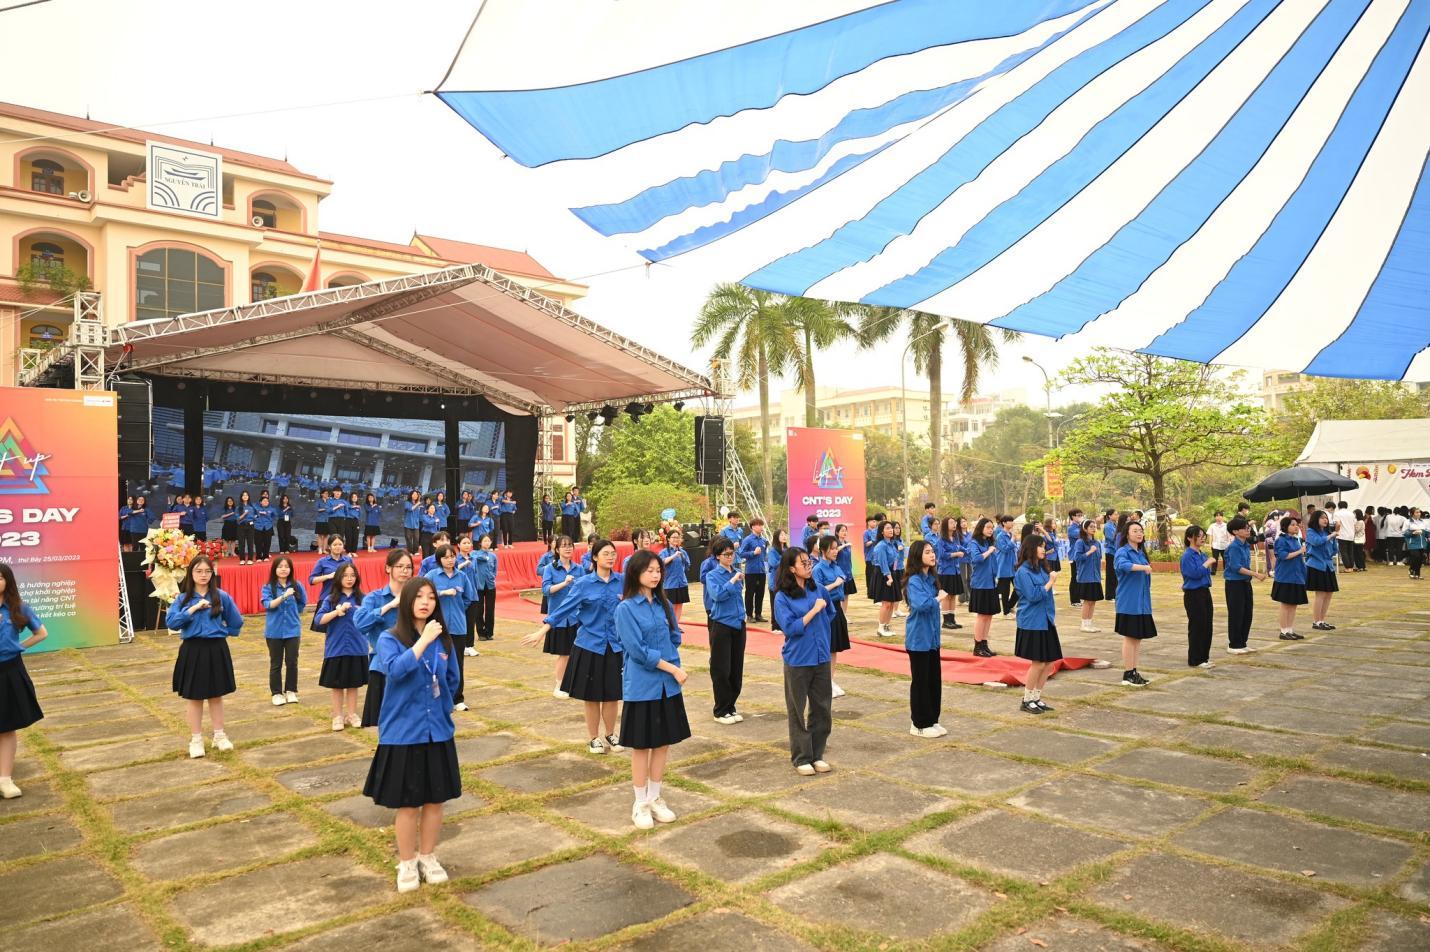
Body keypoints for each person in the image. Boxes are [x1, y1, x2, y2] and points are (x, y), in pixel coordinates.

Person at [363, 577, 462, 893]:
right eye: (418, 596)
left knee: (435, 800)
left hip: (437, 731)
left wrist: (445, 710)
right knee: (408, 804)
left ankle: (428, 856)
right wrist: (422, 642)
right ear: (406, 602)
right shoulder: (389, 638)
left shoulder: (444, 641)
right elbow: (396, 670)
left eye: (431, 597)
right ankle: (406, 863)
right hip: (404, 733)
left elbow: (451, 680)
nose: (425, 602)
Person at [614, 550, 691, 829]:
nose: (656, 574)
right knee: (641, 746)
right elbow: (637, 651)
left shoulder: (663, 604)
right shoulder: (625, 608)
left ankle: (656, 797)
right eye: (649, 570)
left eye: (658, 570)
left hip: (667, 687)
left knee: (662, 743)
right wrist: (672, 668)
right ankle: (640, 803)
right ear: (635, 573)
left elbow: (674, 637)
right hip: (643, 686)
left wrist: (672, 661)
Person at [525, 539, 625, 754]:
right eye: (606, 553)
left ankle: (611, 733)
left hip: (615, 646)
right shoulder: (583, 584)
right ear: (595, 557)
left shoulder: (622, 582)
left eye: (613, 553)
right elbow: (561, 610)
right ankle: (593, 738)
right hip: (590, 645)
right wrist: (542, 631)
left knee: (612, 694)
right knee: (592, 695)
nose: (610, 557)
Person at [166, 556, 244, 759]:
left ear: (213, 573)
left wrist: (225, 632)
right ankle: (196, 739)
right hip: (192, 649)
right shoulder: (182, 598)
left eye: (207, 571)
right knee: (194, 697)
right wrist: (191, 609)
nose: (203, 575)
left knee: (216, 695)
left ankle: (220, 735)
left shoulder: (221, 596)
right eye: (198, 571)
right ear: (191, 573)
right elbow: (172, 623)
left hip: (216, 648)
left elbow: (236, 621)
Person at [772, 547, 833, 776]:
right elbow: (791, 628)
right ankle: (801, 757)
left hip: (821, 656)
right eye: (804, 563)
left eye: (809, 562)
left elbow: (830, 614)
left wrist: (820, 623)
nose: (809, 567)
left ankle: (817, 754)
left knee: (822, 708)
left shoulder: (818, 590)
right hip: (798, 659)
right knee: (797, 709)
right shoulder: (782, 597)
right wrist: (813, 612)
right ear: (791, 568)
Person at [0, 564, 48, 799]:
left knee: (7, 727)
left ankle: (5, 780)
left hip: (9, 671)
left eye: (0, 578)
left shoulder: (18, 608)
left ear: (7, 581)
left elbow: (42, 633)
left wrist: (18, 647)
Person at [357, 549, 415, 728]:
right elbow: (360, 624)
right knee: (384, 724)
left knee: (411, 722)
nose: (405, 571)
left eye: (408, 567)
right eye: (399, 566)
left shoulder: (416, 596)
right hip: (382, 666)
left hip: (412, 664)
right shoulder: (375, 597)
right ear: (388, 568)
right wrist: (389, 605)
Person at [318, 563, 369, 731]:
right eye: (345, 575)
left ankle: (352, 714)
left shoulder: (363, 598)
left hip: (357, 647)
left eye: (352, 575)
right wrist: (336, 612)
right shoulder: (330, 599)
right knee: (337, 684)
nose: (349, 579)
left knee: (354, 684)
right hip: (336, 647)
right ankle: (338, 716)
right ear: (339, 578)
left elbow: (371, 618)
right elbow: (319, 620)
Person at [1013, 534, 1060, 714]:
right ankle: (1026, 700)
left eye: (1044, 546)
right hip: (1032, 621)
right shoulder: (1023, 572)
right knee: (1038, 663)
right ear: (1030, 549)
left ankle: (1036, 697)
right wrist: (1050, 582)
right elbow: (1033, 596)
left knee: (1049, 663)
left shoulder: (1040, 568)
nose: (1043, 549)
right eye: (1040, 546)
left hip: (1046, 619)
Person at [426, 544, 477, 711]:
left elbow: (469, 598)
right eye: (446, 557)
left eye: (452, 556)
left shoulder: (462, 576)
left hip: (458, 627)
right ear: (439, 559)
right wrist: (443, 592)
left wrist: (459, 608)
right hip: (437, 627)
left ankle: (457, 698)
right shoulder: (432, 576)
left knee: (457, 664)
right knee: (436, 663)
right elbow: (424, 595)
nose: (450, 560)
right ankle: (437, 697)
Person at [903, 539, 946, 736]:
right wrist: (938, 598)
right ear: (918, 556)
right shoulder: (914, 580)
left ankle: (932, 719)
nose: (932, 555)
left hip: (932, 639)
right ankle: (919, 724)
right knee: (920, 682)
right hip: (919, 639)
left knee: (933, 680)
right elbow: (921, 605)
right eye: (927, 552)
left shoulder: (930, 579)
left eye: (933, 552)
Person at [704, 537, 748, 724]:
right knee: (721, 668)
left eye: (732, 553)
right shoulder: (712, 575)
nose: (730, 557)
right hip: (722, 624)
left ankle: (731, 706)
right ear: (717, 556)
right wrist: (732, 581)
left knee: (736, 668)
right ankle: (720, 710)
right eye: (726, 554)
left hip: (738, 623)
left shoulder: (737, 572)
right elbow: (718, 595)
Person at [1113, 522, 1156, 686]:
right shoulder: (1122, 551)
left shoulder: (1140, 553)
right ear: (1127, 534)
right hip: (1129, 601)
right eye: (1135, 531)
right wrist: (1142, 567)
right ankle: (1128, 673)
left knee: (1137, 638)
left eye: (1141, 531)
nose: (1139, 533)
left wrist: (1144, 566)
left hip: (1142, 602)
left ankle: (1134, 671)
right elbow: (1122, 565)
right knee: (1130, 637)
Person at [262, 556, 307, 706]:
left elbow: (302, 603)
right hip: (274, 631)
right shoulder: (268, 587)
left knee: (292, 661)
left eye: (286, 566)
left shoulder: (297, 585)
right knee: (276, 663)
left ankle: (291, 691)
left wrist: (294, 613)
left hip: (292, 630)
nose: (283, 569)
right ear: (274, 569)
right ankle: (276, 693)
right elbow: (268, 605)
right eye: (280, 566)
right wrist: (284, 596)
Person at [542, 536, 583, 697]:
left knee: (576, 651)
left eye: (570, 546)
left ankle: (572, 683)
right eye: (564, 546)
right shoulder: (550, 569)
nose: (568, 549)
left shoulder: (579, 569)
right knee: (564, 653)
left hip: (576, 617)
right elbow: (546, 590)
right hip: (559, 618)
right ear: (557, 550)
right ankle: (559, 685)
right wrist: (564, 583)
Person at [813, 535, 851, 699]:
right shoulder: (818, 569)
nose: (836, 551)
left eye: (837, 548)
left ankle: (830, 680)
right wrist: (835, 584)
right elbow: (817, 592)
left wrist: (839, 581)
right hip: (825, 610)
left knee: (834, 647)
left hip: (837, 608)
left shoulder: (835, 566)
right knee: (826, 647)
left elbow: (843, 577)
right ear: (823, 550)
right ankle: (823, 682)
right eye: (832, 548)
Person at [1224, 516, 1265, 655]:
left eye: (1248, 527)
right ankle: (1234, 644)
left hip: (1245, 582)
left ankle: (1242, 642)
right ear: (1235, 531)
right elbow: (1236, 567)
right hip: (1234, 583)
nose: (1248, 530)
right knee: (1236, 613)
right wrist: (1255, 574)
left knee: (1247, 613)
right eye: (1244, 528)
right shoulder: (1234, 547)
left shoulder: (1246, 544)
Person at [1180, 526, 1216, 669]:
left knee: (1207, 626)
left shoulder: (1202, 554)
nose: (1202, 538)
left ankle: (1204, 657)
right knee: (1197, 626)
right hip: (1193, 594)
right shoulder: (1187, 555)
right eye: (1199, 535)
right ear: (1190, 538)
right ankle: (1195, 659)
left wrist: (1206, 562)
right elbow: (1193, 574)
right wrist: (1207, 563)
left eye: (1203, 535)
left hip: (1205, 591)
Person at [1271, 516, 1308, 641]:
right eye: (1292, 524)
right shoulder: (1281, 540)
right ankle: (1283, 630)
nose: (1296, 526)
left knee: (1293, 604)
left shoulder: (1296, 539)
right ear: (1285, 526)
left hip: (1296, 576)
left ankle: (1290, 629)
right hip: (1285, 576)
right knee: (1285, 604)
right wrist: (1300, 551)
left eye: (1296, 524)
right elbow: (1283, 556)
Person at [967, 517, 1000, 657]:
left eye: (992, 528)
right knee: (982, 616)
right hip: (980, 583)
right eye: (987, 527)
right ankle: (977, 645)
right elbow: (976, 559)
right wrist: (989, 551)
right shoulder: (974, 542)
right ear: (981, 528)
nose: (990, 530)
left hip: (991, 582)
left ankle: (984, 644)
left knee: (989, 615)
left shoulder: (989, 542)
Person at [1304, 510, 1339, 631]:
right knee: (1320, 594)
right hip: (1316, 565)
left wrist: (1334, 539)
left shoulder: (1327, 532)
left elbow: (1334, 550)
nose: (1325, 520)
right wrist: (1330, 536)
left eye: (1326, 518)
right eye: (1322, 518)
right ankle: (1316, 621)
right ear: (1315, 519)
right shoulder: (1311, 532)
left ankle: (1322, 620)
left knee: (1329, 593)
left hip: (1328, 565)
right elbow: (1317, 542)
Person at [308, 536, 352, 632]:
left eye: (340, 544)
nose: (337, 547)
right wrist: (327, 576)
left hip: (344, 599)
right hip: (328, 598)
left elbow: (354, 578)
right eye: (335, 544)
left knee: (346, 629)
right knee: (329, 632)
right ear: (329, 546)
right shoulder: (322, 561)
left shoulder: (348, 560)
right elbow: (311, 580)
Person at [1070, 518, 1104, 633]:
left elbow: (1099, 559)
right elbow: (1077, 558)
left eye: (1095, 527)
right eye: (1091, 527)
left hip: (1095, 576)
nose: (1094, 529)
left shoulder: (1097, 543)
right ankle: (1084, 624)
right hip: (1085, 576)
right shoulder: (1080, 542)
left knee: (1093, 600)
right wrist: (1089, 551)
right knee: (1087, 601)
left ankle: (1089, 623)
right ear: (1084, 529)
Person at [935, 517, 966, 631]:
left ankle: (952, 619)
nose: (954, 524)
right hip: (945, 571)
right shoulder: (941, 540)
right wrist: (956, 554)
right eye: (951, 522)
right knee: (946, 596)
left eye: (955, 522)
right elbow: (942, 555)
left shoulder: (956, 538)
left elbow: (962, 548)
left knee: (953, 595)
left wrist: (968, 550)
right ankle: (946, 621)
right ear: (945, 525)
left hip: (955, 570)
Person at [870, 521, 898, 636]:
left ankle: (887, 626)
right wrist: (889, 577)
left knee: (892, 603)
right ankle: (880, 628)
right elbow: (883, 563)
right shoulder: (881, 546)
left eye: (891, 528)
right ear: (882, 532)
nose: (891, 530)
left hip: (891, 572)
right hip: (883, 575)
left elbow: (895, 560)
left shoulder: (892, 543)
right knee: (886, 603)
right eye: (887, 528)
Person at [737, 518, 769, 621]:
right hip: (751, 571)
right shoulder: (748, 539)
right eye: (759, 525)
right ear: (753, 527)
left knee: (760, 593)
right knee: (750, 593)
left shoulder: (764, 540)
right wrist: (753, 553)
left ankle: (758, 614)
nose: (761, 527)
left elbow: (764, 555)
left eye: (761, 525)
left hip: (761, 571)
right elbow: (741, 553)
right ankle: (749, 615)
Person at [659, 529, 691, 622]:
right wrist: (674, 556)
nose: (676, 539)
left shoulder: (682, 551)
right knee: (670, 605)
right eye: (673, 537)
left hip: (681, 582)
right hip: (670, 583)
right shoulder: (664, 552)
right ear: (668, 539)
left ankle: (676, 625)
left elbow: (687, 564)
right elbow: (661, 562)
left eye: (678, 537)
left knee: (679, 604)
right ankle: (671, 625)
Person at [471, 533, 498, 642]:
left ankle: (489, 632)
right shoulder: (475, 554)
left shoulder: (493, 556)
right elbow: (476, 558)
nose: (487, 543)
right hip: (479, 585)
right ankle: (481, 632)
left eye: (489, 541)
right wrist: (484, 556)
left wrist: (492, 577)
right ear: (480, 543)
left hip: (490, 585)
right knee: (479, 609)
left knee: (490, 609)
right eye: (485, 541)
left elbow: (495, 569)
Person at [994, 515, 1018, 617]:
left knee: (1019, 586)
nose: (1012, 523)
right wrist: (1012, 540)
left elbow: (1014, 549)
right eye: (1009, 521)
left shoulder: (1010, 534)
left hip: (1013, 565)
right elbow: (1005, 549)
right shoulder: (1000, 536)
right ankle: (1006, 611)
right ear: (1004, 523)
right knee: (1005, 591)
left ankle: (1010, 605)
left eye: (1012, 521)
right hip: (1004, 566)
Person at [767, 528, 789, 632]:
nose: (784, 536)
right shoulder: (773, 550)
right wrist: (784, 559)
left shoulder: (786, 549)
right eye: (781, 535)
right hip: (775, 582)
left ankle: (783, 625)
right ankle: (775, 625)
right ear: (776, 537)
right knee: (775, 604)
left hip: (786, 581)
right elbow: (773, 564)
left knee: (784, 604)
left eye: (785, 534)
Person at [1065, 508, 1084, 607]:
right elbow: (1081, 534)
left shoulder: (1081, 526)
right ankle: (1074, 600)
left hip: (1081, 555)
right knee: (1075, 578)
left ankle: (1080, 596)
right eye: (1078, 515)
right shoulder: (1072, 528)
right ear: (1073, 517)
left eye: (1081, 515)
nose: (1080, 516)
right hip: (1074, 555)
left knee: (1080, 577)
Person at [254, 491, 276, 562]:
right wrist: (256, 516)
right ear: (260, 502)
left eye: (267, 501)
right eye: (264, 501)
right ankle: (258, 557)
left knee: (267, 542)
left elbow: (274, 516)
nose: (266, 502)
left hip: (268, 527)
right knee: (258, 543)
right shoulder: (256, 508)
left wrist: (267, 515)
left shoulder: (271, 509)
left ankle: (266, 556)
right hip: (258, 527)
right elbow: (252, 516)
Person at [236, 490, 257, 565]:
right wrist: (244, 514)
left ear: (248, 497)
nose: (245, 496)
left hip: (250, 525)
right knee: (241, 543)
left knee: (250, 543)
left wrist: (254, 518)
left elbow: (257, 514)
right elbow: (238, 518)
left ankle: (250, 559)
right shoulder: (239, 507)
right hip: (241, 525)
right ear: (241, 497)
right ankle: (242, 559)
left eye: (246, 495)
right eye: (243, 495)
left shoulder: (252, 506)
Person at [1406, 508, 1427, 580]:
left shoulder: (1422, 522)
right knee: (1416, 557)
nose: (1419, 514)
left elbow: (1426, 532)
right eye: (1417, 512)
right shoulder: (1408, 522)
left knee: (1420, 559)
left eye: (1419, 512)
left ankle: (1417, 574)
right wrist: (1412, 533)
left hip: (1422, 543)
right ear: (1412, 514)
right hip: (1413, 543)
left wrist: (1428, 535)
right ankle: (1411, 570)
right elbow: (1404, 532)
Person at [403, 490, 423, 554]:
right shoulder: (407, 502)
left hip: (416, 524)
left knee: (416, 539)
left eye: (416, 495)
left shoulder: (418, 504)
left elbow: (419, 514)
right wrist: (417, 504)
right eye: (414, 494)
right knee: (408, 538)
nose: (415, 495)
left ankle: (415, 551)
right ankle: (410, 552)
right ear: (411, 495)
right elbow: (411, 509)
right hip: (408, 524)